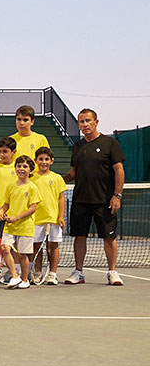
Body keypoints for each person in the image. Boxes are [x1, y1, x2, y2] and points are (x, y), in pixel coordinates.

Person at [63, 108, 125, 285]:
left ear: (96, 122)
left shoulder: (110, 143)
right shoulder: (77, 146)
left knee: (109, 237)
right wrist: (56, 179)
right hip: (81, 200)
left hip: (104, 201)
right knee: (79, 236)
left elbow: (119, 169)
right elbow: (74, 172)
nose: (85, 125)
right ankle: (79, 272)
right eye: (81, 122)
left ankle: (112, 271)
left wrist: (117, 195)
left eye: (88, 121)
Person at [0, 156, 41, 289]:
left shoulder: (32, 188)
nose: (21, 169)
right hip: (10, 226)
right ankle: (15, 276)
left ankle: (24, 280)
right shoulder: (10, 186)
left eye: (25, 166)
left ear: (31, 170)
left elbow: (33, 208)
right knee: (5, 248)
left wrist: (17, 217)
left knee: (23, 255)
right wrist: (1, 211)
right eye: (19, 166)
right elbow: (6, 204)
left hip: (25, 226)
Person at [31, 147, 66, 285]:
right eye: (40, 159)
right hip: (36, 219)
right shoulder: (31, 177)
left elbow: (61, 198)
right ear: (35, 161)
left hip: (53, 219)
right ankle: (38, 272)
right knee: (36, 246)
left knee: (53, 246)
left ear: (52, 161)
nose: (43, 162)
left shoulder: (57, 178)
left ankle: (52, 274)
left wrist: (61, 216)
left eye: (46, 159)